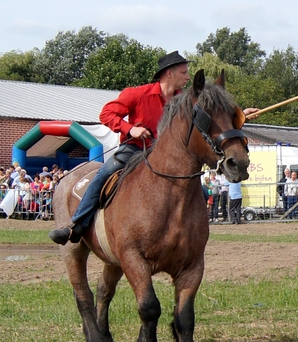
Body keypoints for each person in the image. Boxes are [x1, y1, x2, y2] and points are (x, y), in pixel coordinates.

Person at [49, 50, 193, 245]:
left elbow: (205, 118)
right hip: (135, 151)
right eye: (184, 72)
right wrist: (130, 129)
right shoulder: (137, 94)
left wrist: (239, 115)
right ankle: (77, 224)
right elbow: (106, 114)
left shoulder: (183, 100)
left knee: (195, 187)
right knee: (104, 174)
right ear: (169, 73)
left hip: (167, 156)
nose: (188, 77)